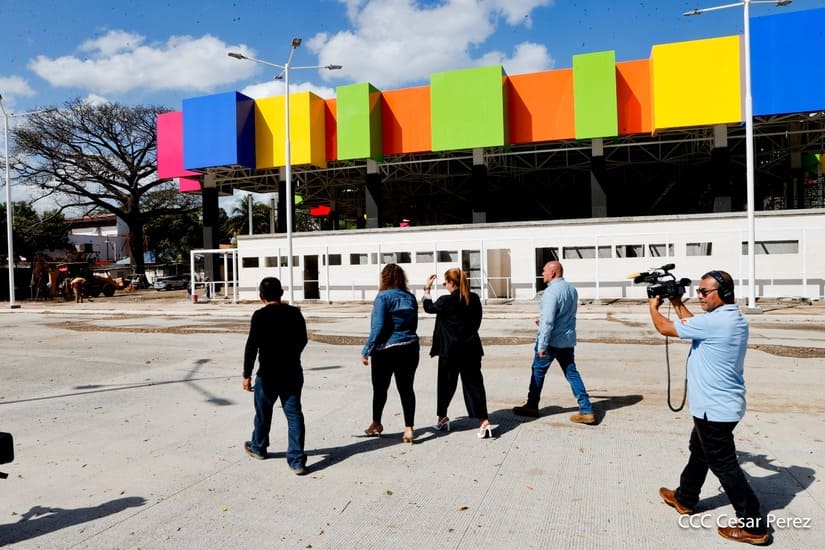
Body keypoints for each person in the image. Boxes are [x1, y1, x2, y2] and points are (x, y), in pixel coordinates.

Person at [649, 270, 768, 545]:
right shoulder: (729, 318)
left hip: (714, 409)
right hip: (719, 406)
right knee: (700, 451)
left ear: (723, 293)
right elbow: (694, 324)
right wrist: (676, 302)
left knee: (724, 465)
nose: (699, 296)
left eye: (704, 292)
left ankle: (753, 526)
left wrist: (653, 306)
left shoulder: (716, 322)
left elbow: (665, 328)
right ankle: (685, 497)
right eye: (698, 291)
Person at [513, 260, 595, 424]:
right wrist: (544, 321)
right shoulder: (571, 289)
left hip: (551, 341)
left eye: (544, 271)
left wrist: (542, 345)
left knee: (538, 371)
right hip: (567, 340)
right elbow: (565, 315)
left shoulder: (551, 292)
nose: (542, 273)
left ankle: (532, 405)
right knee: (571, 373)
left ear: (553, 273)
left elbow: (549, 322)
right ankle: (586, 409)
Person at [242, 277, 309, 475]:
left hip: (268, 374)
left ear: (261, 296)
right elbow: (303, 339)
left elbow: (251, 346)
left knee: (263, 412)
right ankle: (297, 461)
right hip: (292, 372)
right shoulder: (295, 313)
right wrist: (292, 355)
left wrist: (246, 374)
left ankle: (259, 447)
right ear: (281, 293)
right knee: (294, 414)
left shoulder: (260, 316)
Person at [422, 268, 492, 439]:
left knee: (445, 385)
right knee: (474, 385)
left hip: (450, 351)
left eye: (445, 283)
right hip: (471, 349)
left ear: (452, 283)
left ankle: (442, 417)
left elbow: (429, 308)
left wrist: (427, 290)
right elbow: (477, 322)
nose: (445, 286)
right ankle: (484, 421)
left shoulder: (446, 301)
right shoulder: (473, 298)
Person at [360, 264, 420, 444]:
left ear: (384, 278)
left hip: (386, 350)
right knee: (406, 388)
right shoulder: (410, 297)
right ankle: (409, 428)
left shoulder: (383, 297)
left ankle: (376, 422)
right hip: (410, 346)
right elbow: (414, 324)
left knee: (380, 389)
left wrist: (366, 350)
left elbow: (377, 327)